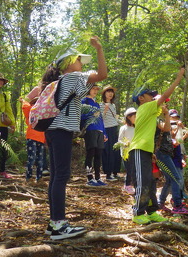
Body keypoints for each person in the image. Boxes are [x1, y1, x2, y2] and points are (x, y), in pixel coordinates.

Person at [42, 36, 107, 240]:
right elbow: (103, 74)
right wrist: (99, 49)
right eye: (79, 60)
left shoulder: (59, 81)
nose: (81, 64)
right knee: (61, 176)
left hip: (52, 130)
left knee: (55, 176)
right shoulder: (72, 78)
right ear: (70, 63)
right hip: (61, 131)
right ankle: (60, 225)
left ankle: (54, 223)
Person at [127, 67, 185, 225]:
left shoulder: (150, 115)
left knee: (151, 182)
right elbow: (166, 95)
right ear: (141, 99)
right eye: (150, 96)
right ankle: (138, 212)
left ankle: (151, 212)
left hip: (146, 151)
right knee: (143, 181)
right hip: (138, 149)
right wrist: (179, 77)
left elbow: (166, 129)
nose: (153, 98)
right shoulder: (145, 108)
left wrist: (166, 113)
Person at [155, 102, 188, 215]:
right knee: (175, 178)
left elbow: (170, 135)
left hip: (166, 152)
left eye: (166, 104)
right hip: (161, 153)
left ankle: (160, 203)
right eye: (163, 104)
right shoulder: (157, 119)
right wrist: (168, 116)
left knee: (170, 180)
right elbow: (166, 128)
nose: (165, 105)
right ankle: (177, 205)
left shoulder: (162, 119)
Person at [81, 84, 107, 187]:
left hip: (99, 130)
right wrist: (91, 115)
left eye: (97, 89)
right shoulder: (84, 101)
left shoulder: (97, 103)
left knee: (98, 154)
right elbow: (81, 115)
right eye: (93, 89)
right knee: (90, 153)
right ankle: (89, 178)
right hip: (90, 129)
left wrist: (104, 132)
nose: (95, 91)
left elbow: (100, 118)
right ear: (88, 89)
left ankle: (98, 177)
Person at [21, 96, 45, 184]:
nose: (37, 105)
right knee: (32, 158)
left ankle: (39, 178)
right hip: (31, 138)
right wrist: (24, 100)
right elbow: (26, 107)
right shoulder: (31, 111)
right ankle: (29, 177)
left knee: (40, 160)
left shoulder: (43, 114)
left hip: (41, 139)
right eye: (35, 103)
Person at [100, 85, 121, 181]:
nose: (110, 93)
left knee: (116, 150)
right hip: (106, 129)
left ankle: (115, 172)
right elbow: (99, 118)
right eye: (108, 91)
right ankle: (108, 174)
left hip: (114, 129)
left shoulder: (113, 105)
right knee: (107, 151)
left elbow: (114, 118)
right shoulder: (101, 105)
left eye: (112, 92)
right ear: (104, 94)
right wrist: (104, 110)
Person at [117, 107, 137, 195]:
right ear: (129, 117)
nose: (136, 118)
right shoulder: (123, 128)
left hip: (134, 151)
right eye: (134, 116)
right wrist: (124, 144)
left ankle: (134, 185)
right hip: (126, 152)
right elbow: (119, 140)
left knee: (134, 169)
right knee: (129, 169)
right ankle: (127, 185)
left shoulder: (136, 128)